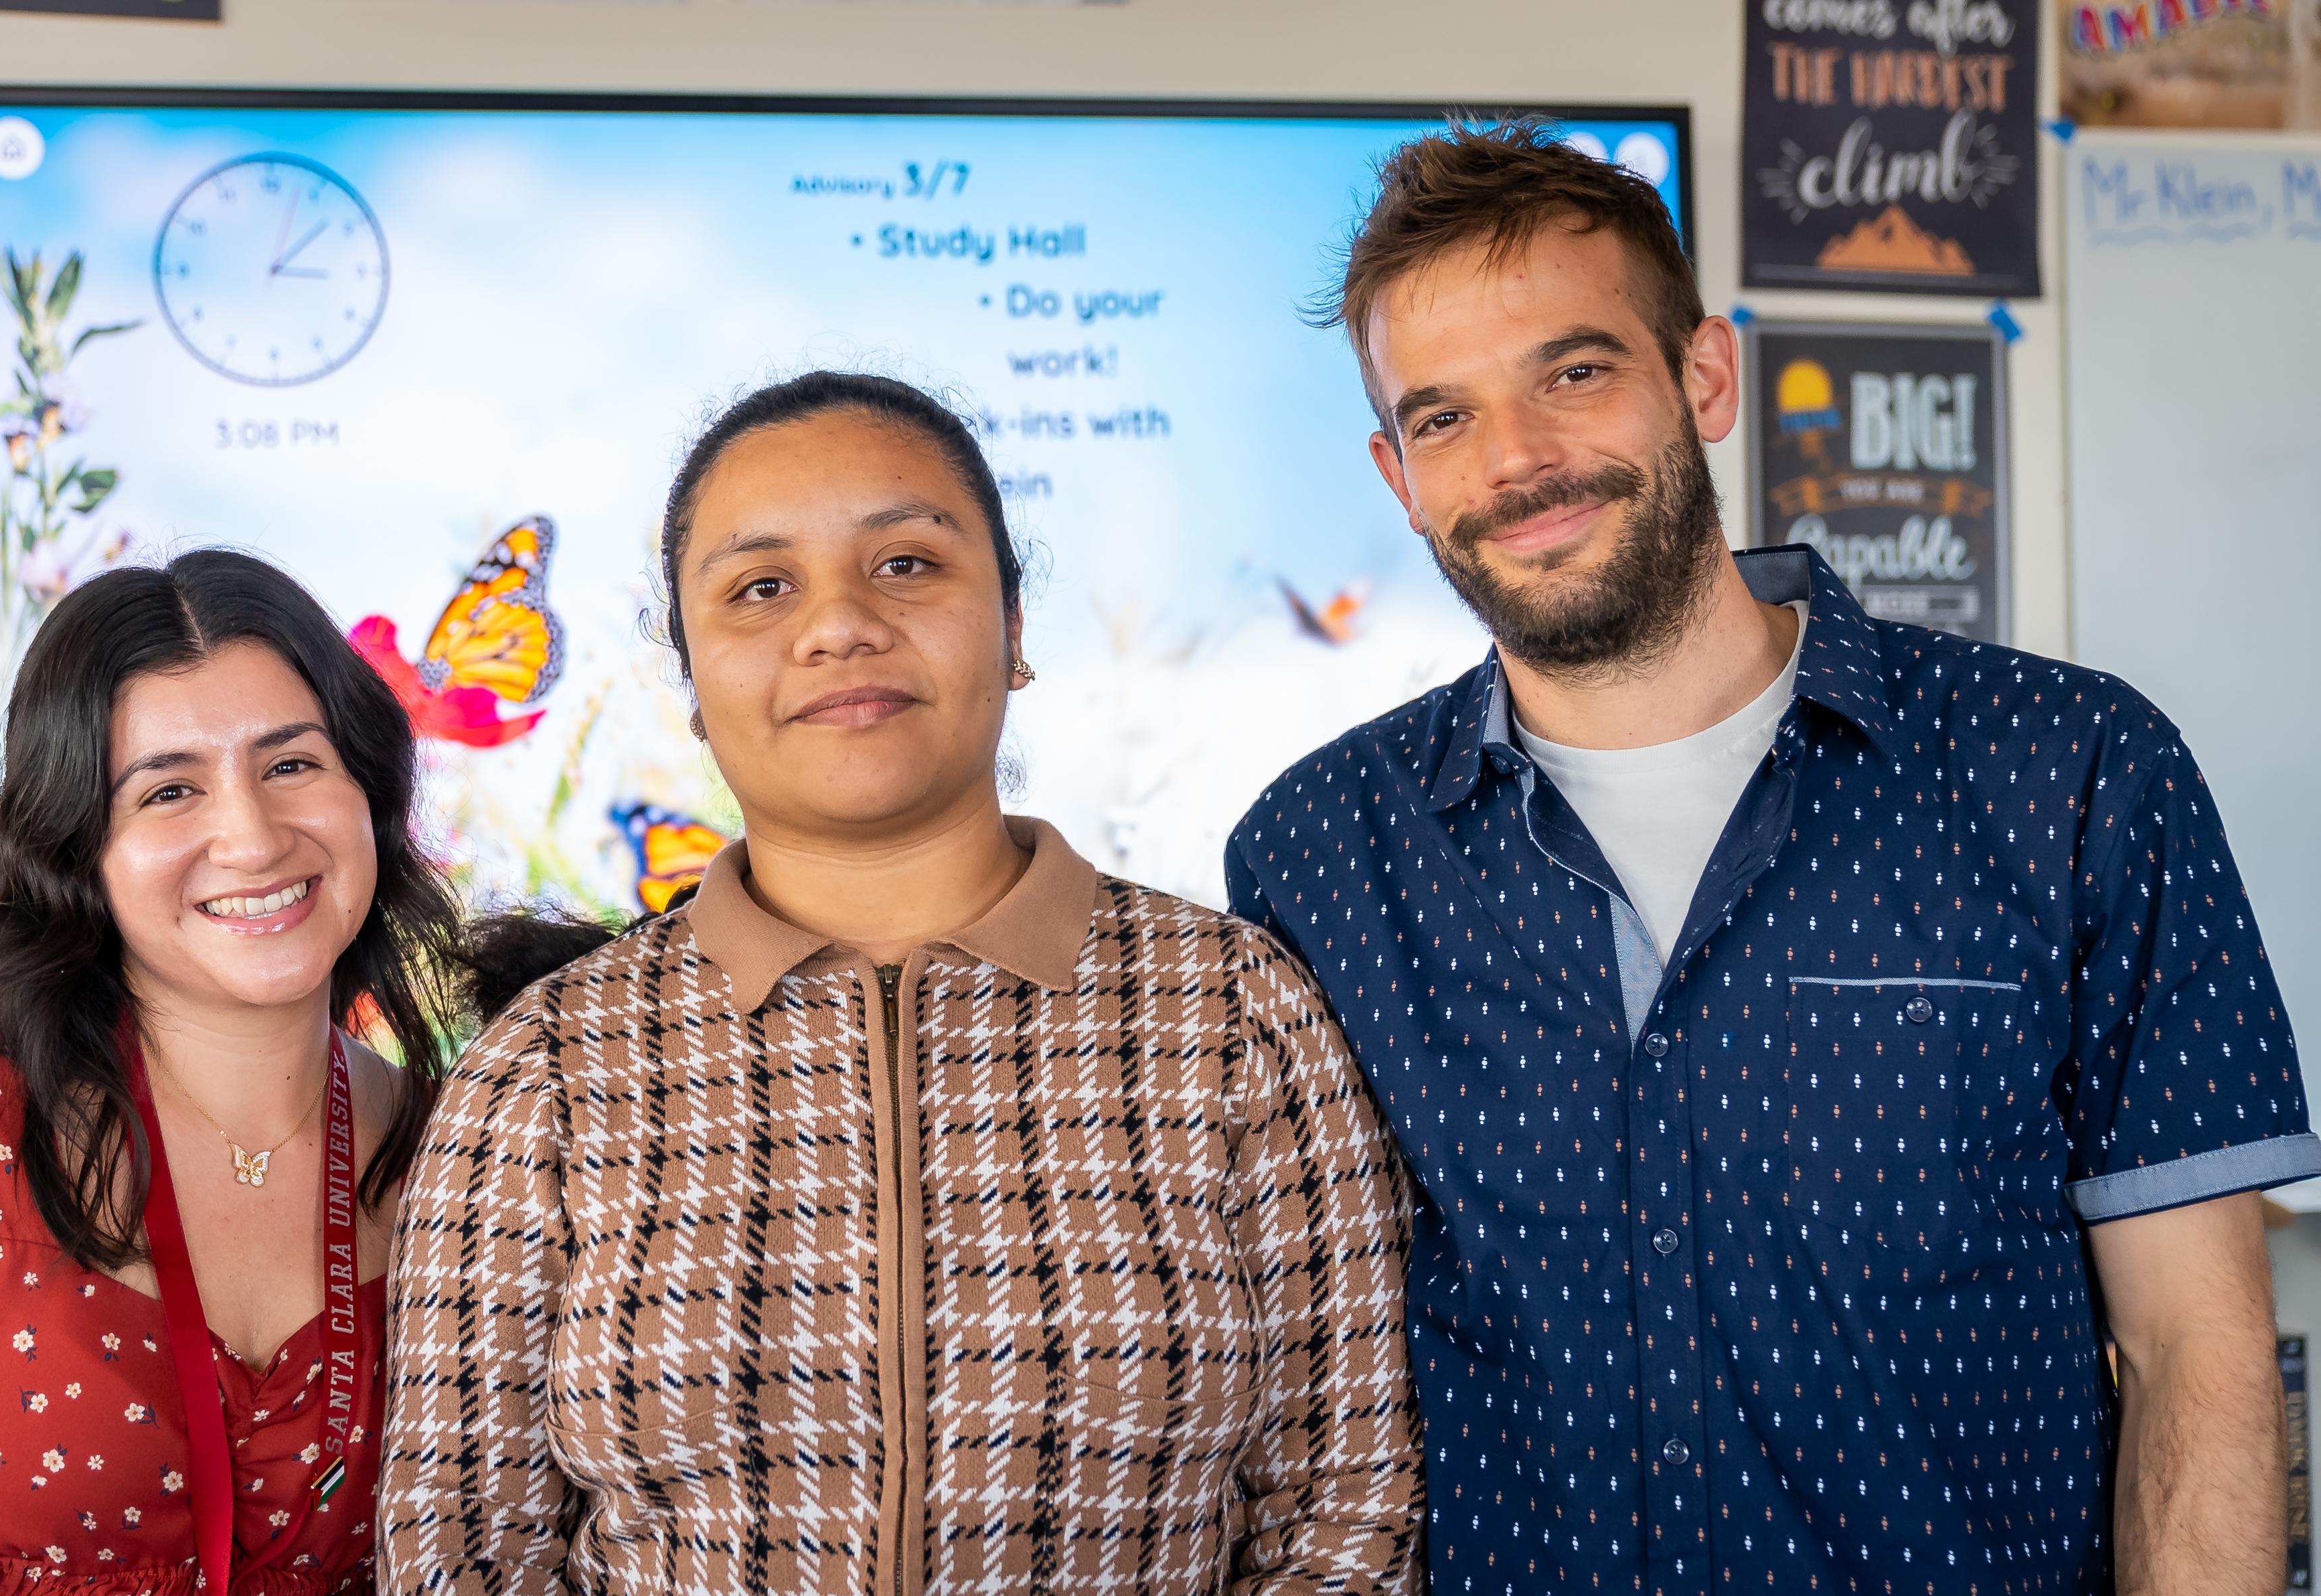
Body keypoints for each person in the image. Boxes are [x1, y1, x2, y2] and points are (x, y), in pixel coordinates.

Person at [1226, 118, 2317, 1595]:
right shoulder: (1314, 858)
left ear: (1702, 375)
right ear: (1394, 473)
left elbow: (2194, 1344)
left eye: (1573, 371)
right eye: (1443, 417)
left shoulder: (2068, 770)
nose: (1521, 461)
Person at [378, 371, 1428, 1594]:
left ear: (1017, 629)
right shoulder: (546, 1070)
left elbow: (1348, 1510)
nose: (839, 628)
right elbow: (462, 1550)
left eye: (909, 566)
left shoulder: (1237, 1014)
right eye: (762, 588)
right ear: (694, 683)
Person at [0, 550, 463, 1594]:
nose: (250, 837)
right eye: (169, 789)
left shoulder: (458, 1145)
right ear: (79, 850)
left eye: (291, 765)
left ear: (368, 794)